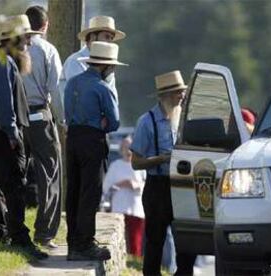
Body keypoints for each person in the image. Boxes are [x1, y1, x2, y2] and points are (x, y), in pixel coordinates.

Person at [0, 14, 47, 259]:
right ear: (16, 39)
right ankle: (20, 239)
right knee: (15, 186)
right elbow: (3, 102)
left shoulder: (2, 61)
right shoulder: (3, 63)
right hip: (4, 134)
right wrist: (12, 132)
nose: (29, 43)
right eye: (27, 38)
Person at [64, 41, 127, 261]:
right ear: (106, 66)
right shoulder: (103, 87)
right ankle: (84, 244)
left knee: (74, 190)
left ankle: (73, 242)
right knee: (90, 193)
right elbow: (114, 122)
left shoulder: (72, 83)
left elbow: (67, 112)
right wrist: (101, 122)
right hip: (92, 140)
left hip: (72, 138)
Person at [131, 70, 196, 275]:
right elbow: (136, 162)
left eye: (182, 92)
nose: (182, 96)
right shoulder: (147, 121)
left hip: (182, 186)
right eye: (178, 93)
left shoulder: (184, 119)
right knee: (155, 241)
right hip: (157, 187)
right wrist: (161, 159)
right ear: (166, 95)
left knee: (187, 240)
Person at [22, 5, 63, 249]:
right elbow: (56, 89)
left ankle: (10, 226)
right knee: (50, 173)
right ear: (45, 26)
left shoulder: (12, 49)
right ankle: (45, 232)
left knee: (15, 173)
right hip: (40, 115)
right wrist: (62, 119)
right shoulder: (47, 49)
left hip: (17, 117)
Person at [60, 15, 126, 103]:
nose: (110, 42)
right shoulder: (75, 61)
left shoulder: (107, 66)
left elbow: (114, 101)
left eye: (111, 38)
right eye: (106, 37)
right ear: (92, 37)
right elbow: (85, 99)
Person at [102, 136, 146, 257]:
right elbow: (106, 188)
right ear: (121, 149)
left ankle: (134, 266)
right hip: (119, 209)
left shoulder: (141, 166)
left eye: (130, 149)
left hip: (136, 210)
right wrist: (120, 184)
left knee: (135, 242)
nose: (128, 151)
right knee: (119, 239)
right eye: (125, 148)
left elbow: (147, 186)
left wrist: (136, 185)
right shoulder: (116, 165)